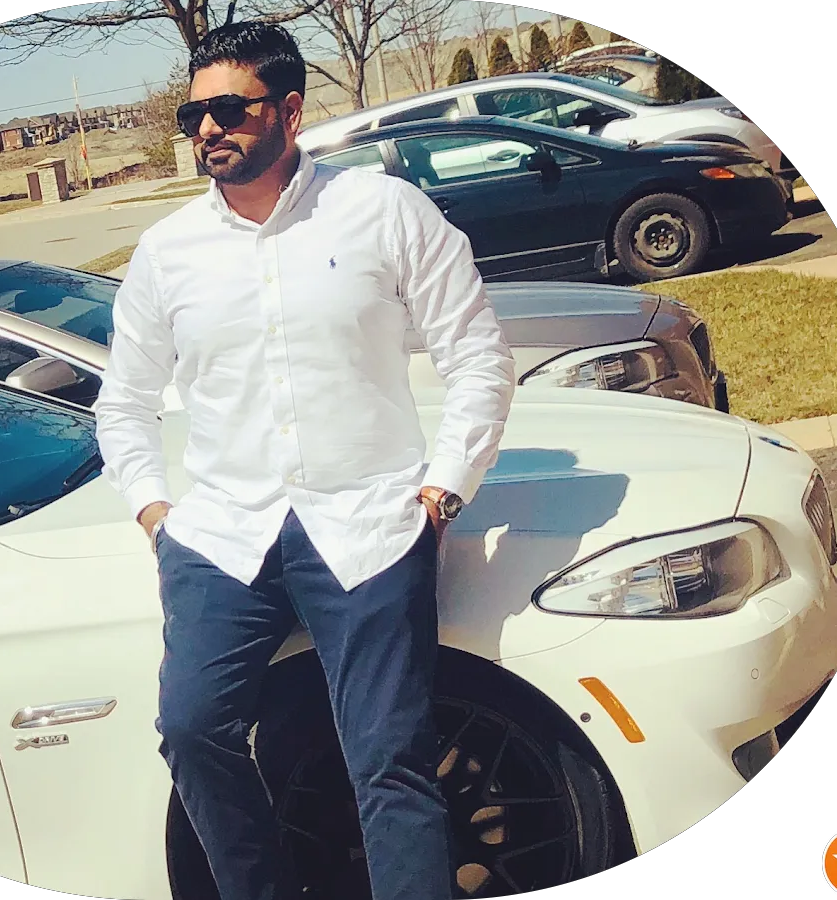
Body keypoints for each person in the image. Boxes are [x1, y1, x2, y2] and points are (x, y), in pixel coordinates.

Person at [93, 20, 517, 900]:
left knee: (389, 761)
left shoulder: (384, 211)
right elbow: (124, 402)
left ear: (289, 112)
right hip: (222, 535)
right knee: (191, 729)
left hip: (369, 525)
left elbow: (477, 356)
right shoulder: (167, 252)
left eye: (229, 109)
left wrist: (443, 491)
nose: (209, 128)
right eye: (194, 114)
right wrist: (155, 514)